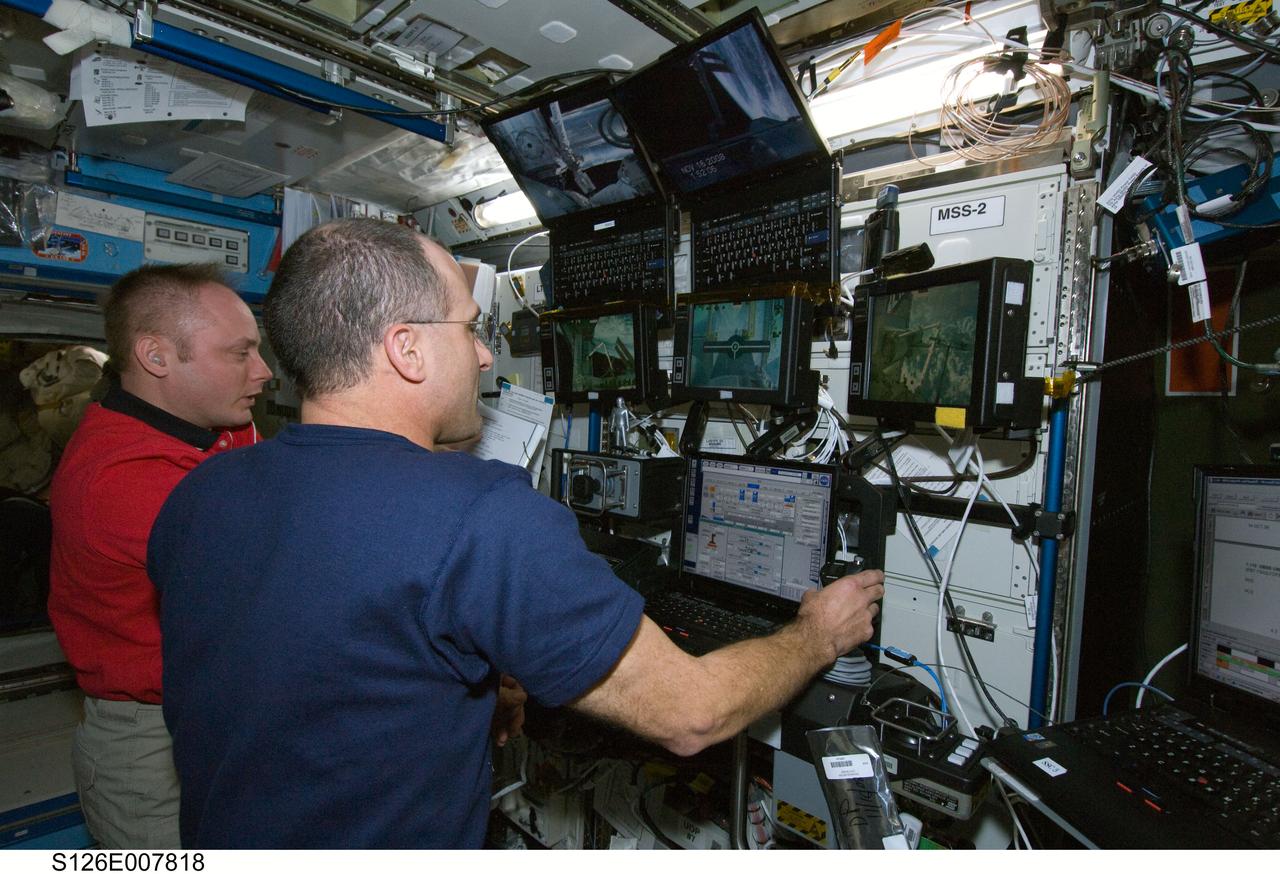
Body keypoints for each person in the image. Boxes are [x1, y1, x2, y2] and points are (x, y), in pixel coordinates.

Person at [147, 218, 883, 849]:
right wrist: (816, 634)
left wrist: (457, 681)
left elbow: (294, 660)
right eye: (470, 329)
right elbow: (693, 715)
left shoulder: (198, 495)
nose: (484, 354)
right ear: (406, 349)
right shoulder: (482, 513)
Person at [47, 263, 273, 848]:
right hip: (148, 743)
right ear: (156, 357)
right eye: (239, 353)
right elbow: (279, 585)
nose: (263, 372)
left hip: (214, 712)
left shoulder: (215, 423)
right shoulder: (122, 479)